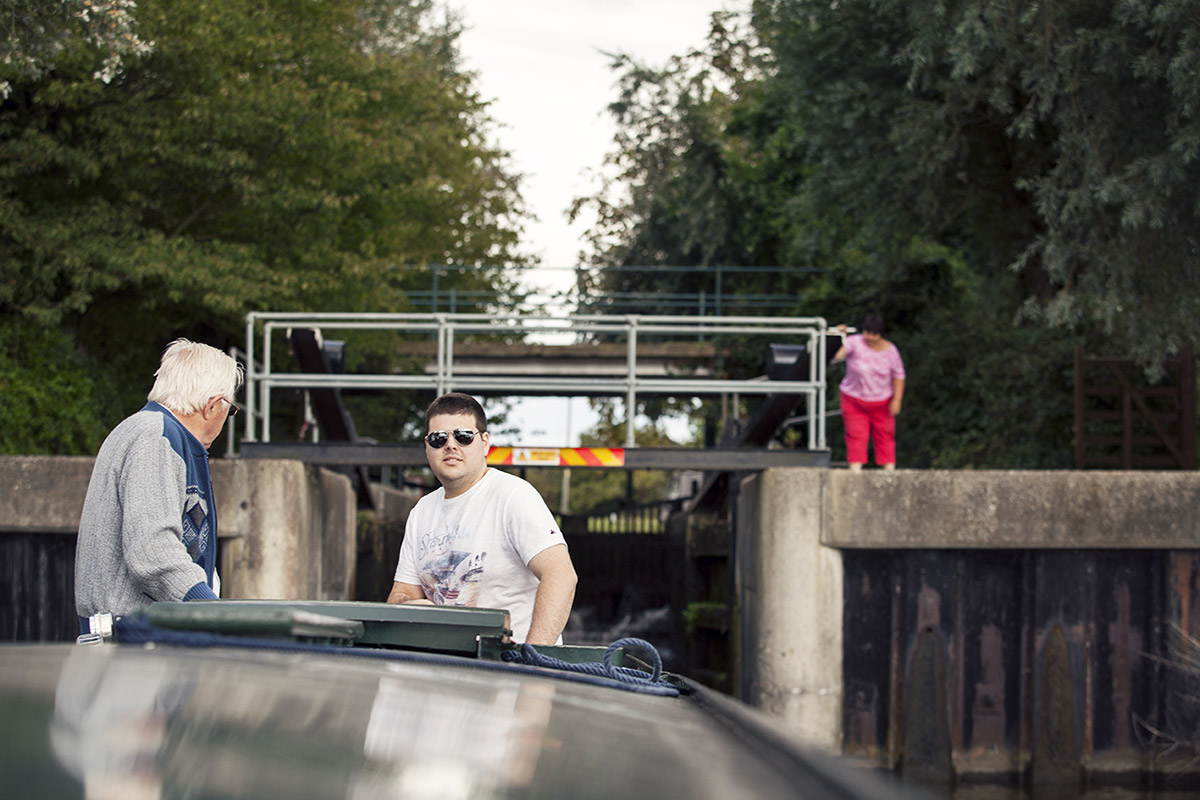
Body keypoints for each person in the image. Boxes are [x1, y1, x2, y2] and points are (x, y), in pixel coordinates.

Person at [75, 339, 243, 631]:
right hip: (135, 643)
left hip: (139, 639)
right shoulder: (156, 439)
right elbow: (153, 552)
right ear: (213, 406)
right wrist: (212, 612)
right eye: (230, 410)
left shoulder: (155, 433)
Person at [387, 392, 578, 645]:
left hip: (511, 672)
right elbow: (401, 593)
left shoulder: (513, 496)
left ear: (485, 442)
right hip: (445, 669)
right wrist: (411, 605)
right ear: (427, 447)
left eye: (464, 436)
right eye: (438, 438)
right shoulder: (422, 511)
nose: (451, 445)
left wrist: (534, 662)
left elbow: (561, 576)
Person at [833, 314, 906, 471]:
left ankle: (889, 470)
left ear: (880, 334)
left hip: (882, 401)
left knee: (885, 435)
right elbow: (837, 355)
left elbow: (899, 375)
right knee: (856, 434)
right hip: (854, 399)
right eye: (867, 333)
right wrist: (837, 337)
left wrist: (897, 399)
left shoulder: (891, 351)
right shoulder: (855, 342)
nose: (870, 338)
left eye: (874, 334)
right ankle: (855, 470)